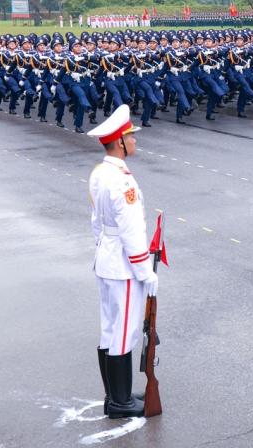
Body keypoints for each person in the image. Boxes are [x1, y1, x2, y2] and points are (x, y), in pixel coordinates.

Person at [87, 105, 157, 419]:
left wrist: (104, 248)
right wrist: (145, 272)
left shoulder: (100, 172)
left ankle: (115, 396)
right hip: (124, 266)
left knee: (109, 328)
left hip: (106, 259)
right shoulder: (123, 182)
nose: (134, 142)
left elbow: (96, 222)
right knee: (125, 333)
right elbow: (132, 232)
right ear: (119, 143)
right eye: (130, 137)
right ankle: (120, 402)